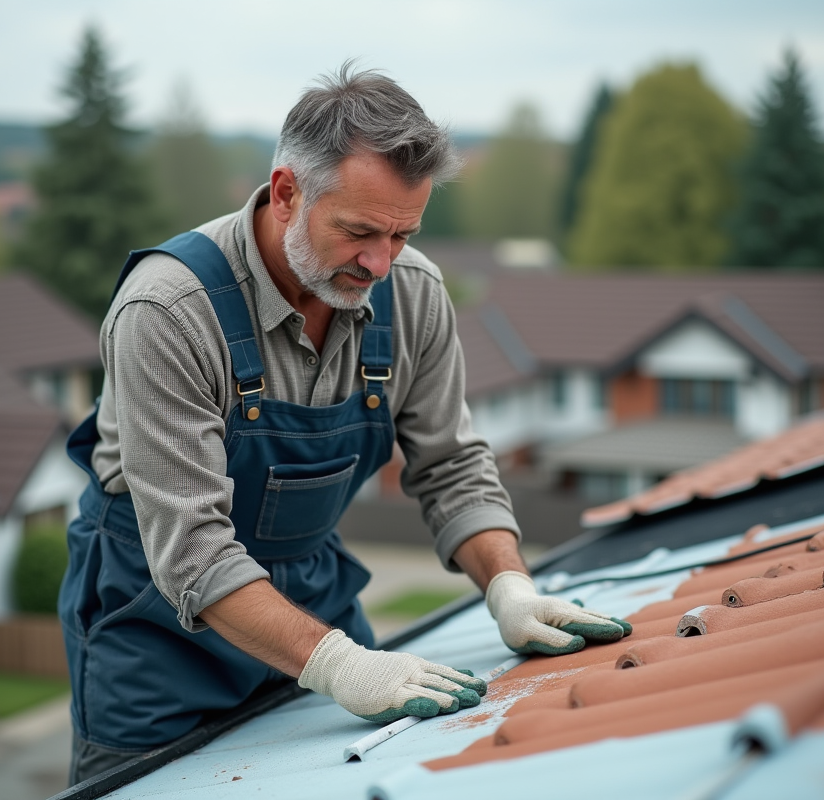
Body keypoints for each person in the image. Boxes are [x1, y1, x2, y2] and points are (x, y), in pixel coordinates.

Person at [59, 63, 630, 785]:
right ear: (286, 193)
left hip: (314, 606)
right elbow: (194, 553)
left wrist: (509, 586)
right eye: (359, 231)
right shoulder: (168, 313)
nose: (380, 263)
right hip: (158, 642)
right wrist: (338, 665)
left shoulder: (413, 293)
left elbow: (451, 467)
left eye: (402, 235)